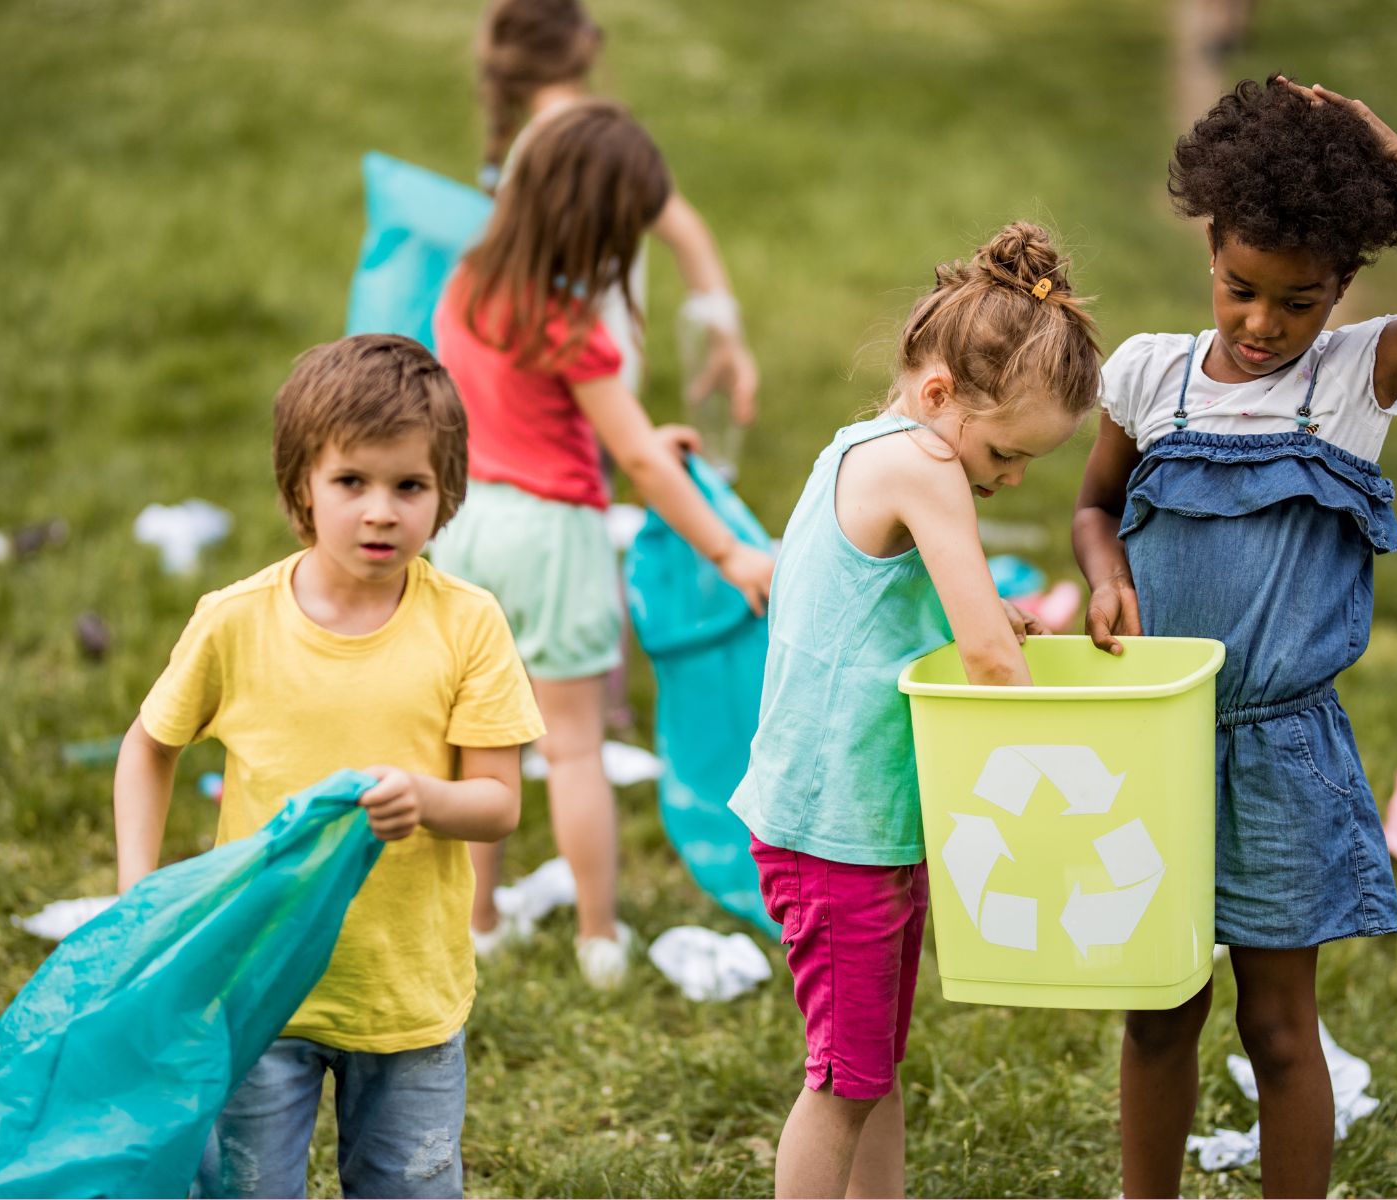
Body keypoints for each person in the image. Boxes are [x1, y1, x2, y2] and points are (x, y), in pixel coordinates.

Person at [1073, 78, 1397, 1199]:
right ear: (1210, 248)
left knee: (1281, 1032)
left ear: (1345, 287)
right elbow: (1095, 503)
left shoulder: (1351, 379)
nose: (1263, 323)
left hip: (1280, 755)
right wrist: (1103, 572)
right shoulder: (1147, 375)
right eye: (1240, 289)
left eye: (1300, 299)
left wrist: (1390, 147)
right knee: (1156, 1016)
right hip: (1154, 742)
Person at [113, 334, 546, 1198]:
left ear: (446, 493)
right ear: (300, 485)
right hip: (258, 988)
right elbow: (148, 748)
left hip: (406, 992)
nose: (380, 511)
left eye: (409, 485)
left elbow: (499, 803)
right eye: (352, 482)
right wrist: (138, 897)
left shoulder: (468, 625)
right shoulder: (235, 622)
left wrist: (426, 799)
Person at [731, 223, 1103, 1199]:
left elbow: (924, 611)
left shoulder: (868, 448)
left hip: (864, 822)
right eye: (1006, 452)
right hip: (834, 831)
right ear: (939, 395)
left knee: (870, 1071)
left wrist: (995, 618)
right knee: (843, 1080)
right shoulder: (925, 466)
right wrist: (1086, 767)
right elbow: (984, 651)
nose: (1010, 477)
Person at [430, 99, 776, 988]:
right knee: (574, 748)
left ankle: (479, 922)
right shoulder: (571, 325)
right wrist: (730, 553)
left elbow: (528, 418)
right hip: (555, 539)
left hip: (466, 530)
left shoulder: (465, 283)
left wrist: (643, 440)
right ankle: (598, 940)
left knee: (483, 743)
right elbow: (632, 462)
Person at [475, 0, 758, 421]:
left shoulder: (535, 151)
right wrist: (725, 339)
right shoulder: (606, 144)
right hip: (602, 373)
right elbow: (688, 233)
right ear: (586, 45)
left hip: (540, 382)